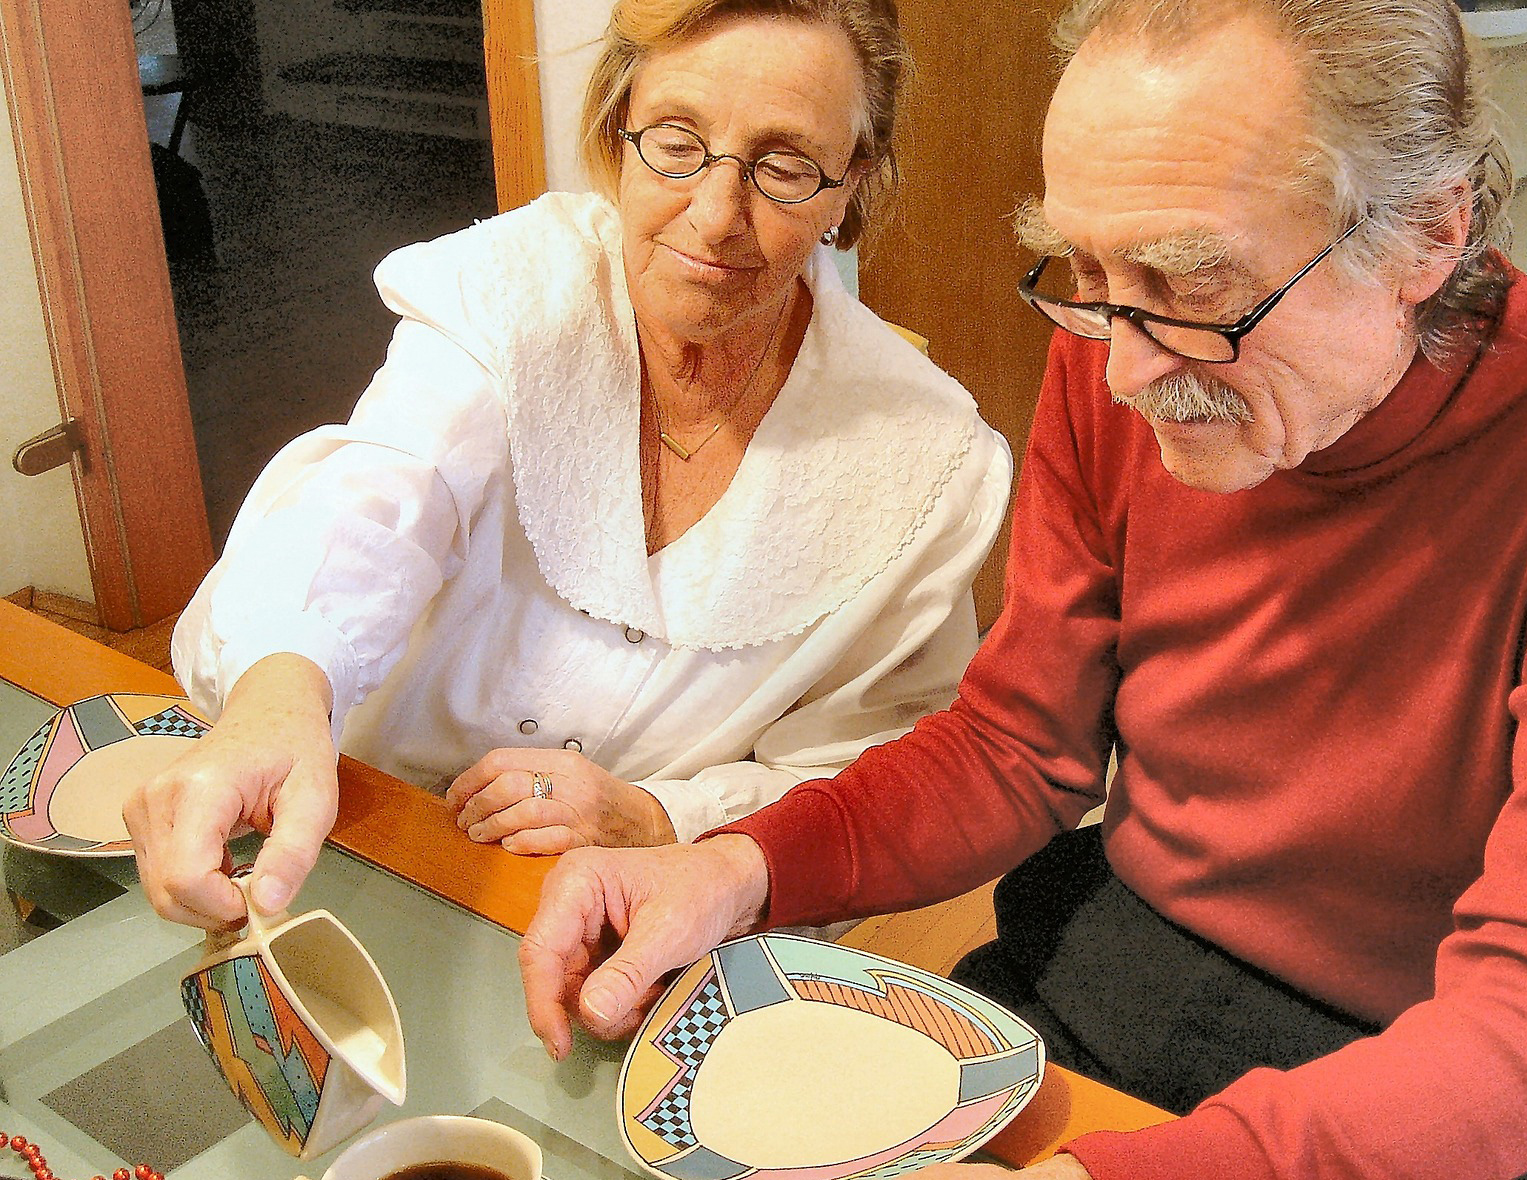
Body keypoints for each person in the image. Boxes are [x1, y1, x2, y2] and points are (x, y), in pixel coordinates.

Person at [516, 0, 1527, 1180]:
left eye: (1191, 284)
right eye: (1087, 269)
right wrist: (743, 864)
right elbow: (1018, 745)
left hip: (1429, 1058)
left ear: (1431, 234)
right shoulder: (1118, 342)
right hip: (1124, 953)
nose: (1122, 367)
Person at [125, 0, 1012, 931]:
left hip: (639, 922)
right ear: (616, 124)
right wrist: (280, 697)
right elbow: (379, 495)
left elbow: (872, 764)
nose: (714, 219)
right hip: (355, 831)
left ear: (851, 184)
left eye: (785, 168)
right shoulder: (515, 290)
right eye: (675, 141)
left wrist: (659, 819)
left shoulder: (928, 462)